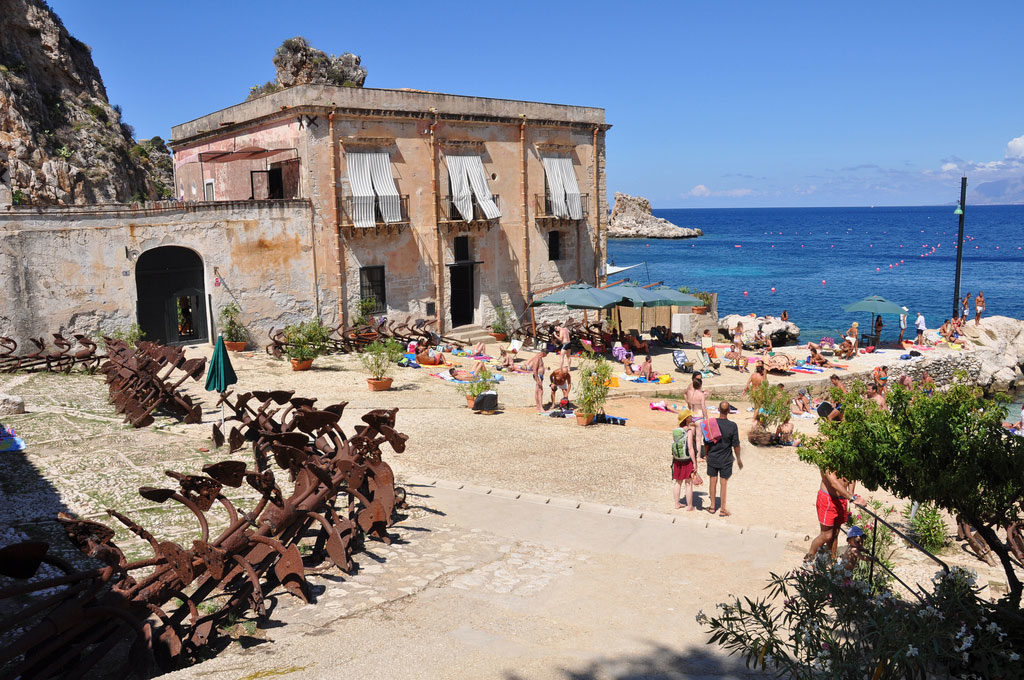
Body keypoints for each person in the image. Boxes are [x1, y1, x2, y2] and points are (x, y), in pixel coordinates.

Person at [805, 467, 862, 562]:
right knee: (826, 535)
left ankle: (831, 560)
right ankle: (808, 559)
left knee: (835, 533)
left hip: (842, 498)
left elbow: (851, 475)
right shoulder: (826, 458)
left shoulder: (846, 456)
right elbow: (833, 482)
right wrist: (851, 497)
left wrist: (851, 493)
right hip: (828, 499)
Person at [705, 401, 742, 516]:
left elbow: (706, 441)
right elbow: (736, 444)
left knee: (712, 480)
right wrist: (739, 458)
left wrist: (706, 454)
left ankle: (712, 507)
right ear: (729, 411)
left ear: (718, 409)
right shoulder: (732, 426)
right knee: (724, 482)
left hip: (712, 456)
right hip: (726, 458)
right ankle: (722, 509)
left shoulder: (711, 423)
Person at [671, 410, 699, 511]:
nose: (691, 417)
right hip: (687, 460)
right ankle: (689, 506)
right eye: (690, 416)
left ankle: (676, 504)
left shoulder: (676, 430)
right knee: (688, 483)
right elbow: (691, 448)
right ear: (686, 418)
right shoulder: (689, 431)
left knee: (678, 482)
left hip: (677, 460)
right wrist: (695, 463)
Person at [526, 349, 548, 413]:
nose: (546, 356)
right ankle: (540, 407)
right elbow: (534, 369)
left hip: (539, 376)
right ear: (543, 353)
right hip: (538, 376)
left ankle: (538, 406)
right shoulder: (537, 358)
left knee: (537, 391)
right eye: (546, 355)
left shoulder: (539, 358)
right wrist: (538, 379)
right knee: (540, 391)